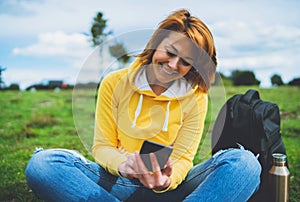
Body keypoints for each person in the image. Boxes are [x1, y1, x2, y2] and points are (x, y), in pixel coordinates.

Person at [25, 9, 261, 201]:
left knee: (246, 164)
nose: (173, 65)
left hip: (172, 188)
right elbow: (102, 146)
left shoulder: (195, 95)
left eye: (186, 62)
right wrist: (124, 165)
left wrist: (166, 180)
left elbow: (183, 158)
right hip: (119, 182)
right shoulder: (114, 83)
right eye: (170, 52)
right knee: (43, 165)